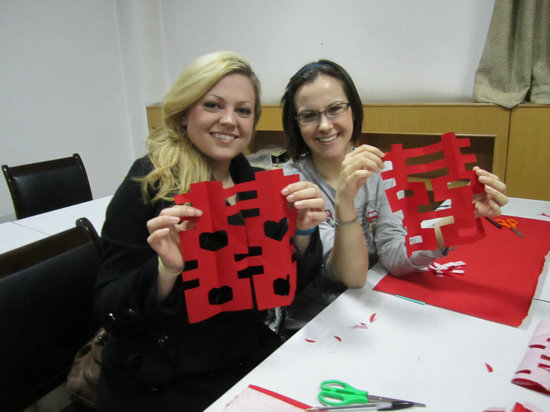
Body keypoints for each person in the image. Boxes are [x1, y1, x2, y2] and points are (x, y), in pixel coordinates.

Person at [94, 51, 326, 411]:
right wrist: (165, 271)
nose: (229, 120)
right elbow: (109, 306)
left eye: (243, 110)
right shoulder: (149, 182)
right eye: (213, 105)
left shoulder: (255, 184)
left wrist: (303, 234)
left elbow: (285, 289)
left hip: (242, 360)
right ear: (185, 113)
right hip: (166, 376)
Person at [280, 59, 509, 329]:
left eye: (335, 109)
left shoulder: (379, 170)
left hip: (375, 309)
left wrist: (458, 217)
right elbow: (349, 276)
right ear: (296, 124)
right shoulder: (293, 185)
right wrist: (345, 200)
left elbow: (394, 255)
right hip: (316, 325)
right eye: (309, 115)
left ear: (353, 111)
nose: (325, 125)